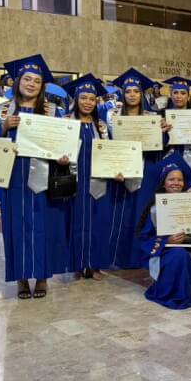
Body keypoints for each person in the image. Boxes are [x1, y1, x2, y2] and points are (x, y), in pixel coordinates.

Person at [0, 54, 69, 300]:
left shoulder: (54, 111)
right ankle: (22, 278)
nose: (31, 84)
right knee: (16, 227)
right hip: (13, 178)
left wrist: (64, 157)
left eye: (36, 80)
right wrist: (2, 129)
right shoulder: (1, 111)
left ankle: (42, 277)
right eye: (27, 79)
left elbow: (64, 143)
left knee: (45, 227)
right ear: (18, 81)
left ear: (42, 85)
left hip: (44, 178)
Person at [106, 67, 169, 269]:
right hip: (122, 170)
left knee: (143, 213)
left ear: (141, 94)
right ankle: (120, 257)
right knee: (122, 214)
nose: (132, 95)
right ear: (122, 94)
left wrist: (164, 133)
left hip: (146, 168)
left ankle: (141, 257)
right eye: (128, 92)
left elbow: (161, 145)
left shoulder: (152, 117)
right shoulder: (112, 116)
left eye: (135, 91)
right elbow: (108, 144)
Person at [139, 156, 191, 309]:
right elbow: (145, 237)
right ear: (164, 183)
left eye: (180, 180)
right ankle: (176, 295)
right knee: (178, 255)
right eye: (171, 179)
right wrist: (167, 241)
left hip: (189, 247)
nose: (176, 183)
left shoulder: (190, 201)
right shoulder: (154, 208)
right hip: (164, 252)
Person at [63, 74, 114, 279]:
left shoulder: (100, 126)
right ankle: (76, 264)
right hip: (73, 180)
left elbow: (109, 152)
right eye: (83, 98)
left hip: (97, 181)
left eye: (92, 99)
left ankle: (93, 264)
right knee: (74, 222)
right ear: (76, 99)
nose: (87, 102)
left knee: (96, 223)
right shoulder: (66, 122)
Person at [162, 76, 191, 190]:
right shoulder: (163, 119)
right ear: (170, 95)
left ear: (188, 97)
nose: (178, 96)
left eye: (183, 93)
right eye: (175, 92)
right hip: (169, 164)